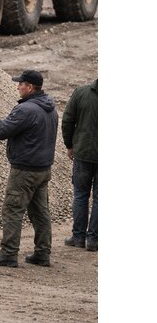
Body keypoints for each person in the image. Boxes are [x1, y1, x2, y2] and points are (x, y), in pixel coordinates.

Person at [0, 70, 58, 268]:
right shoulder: (50, 107)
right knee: (40, 212)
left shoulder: (26, 110)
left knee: (12, 209)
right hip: (43, 168)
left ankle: (8, 253)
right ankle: (42, 253)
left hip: (25, 170)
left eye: (21, 84)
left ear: (30, 87)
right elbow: (15, 128)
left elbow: (1, 131)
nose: (18, 87)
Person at [61, 79, 98, 251]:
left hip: (82, 152)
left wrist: (69, 145)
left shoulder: (81, 92)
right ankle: (94, 240)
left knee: (81, 195)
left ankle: (78, 237)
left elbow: (67, 120)